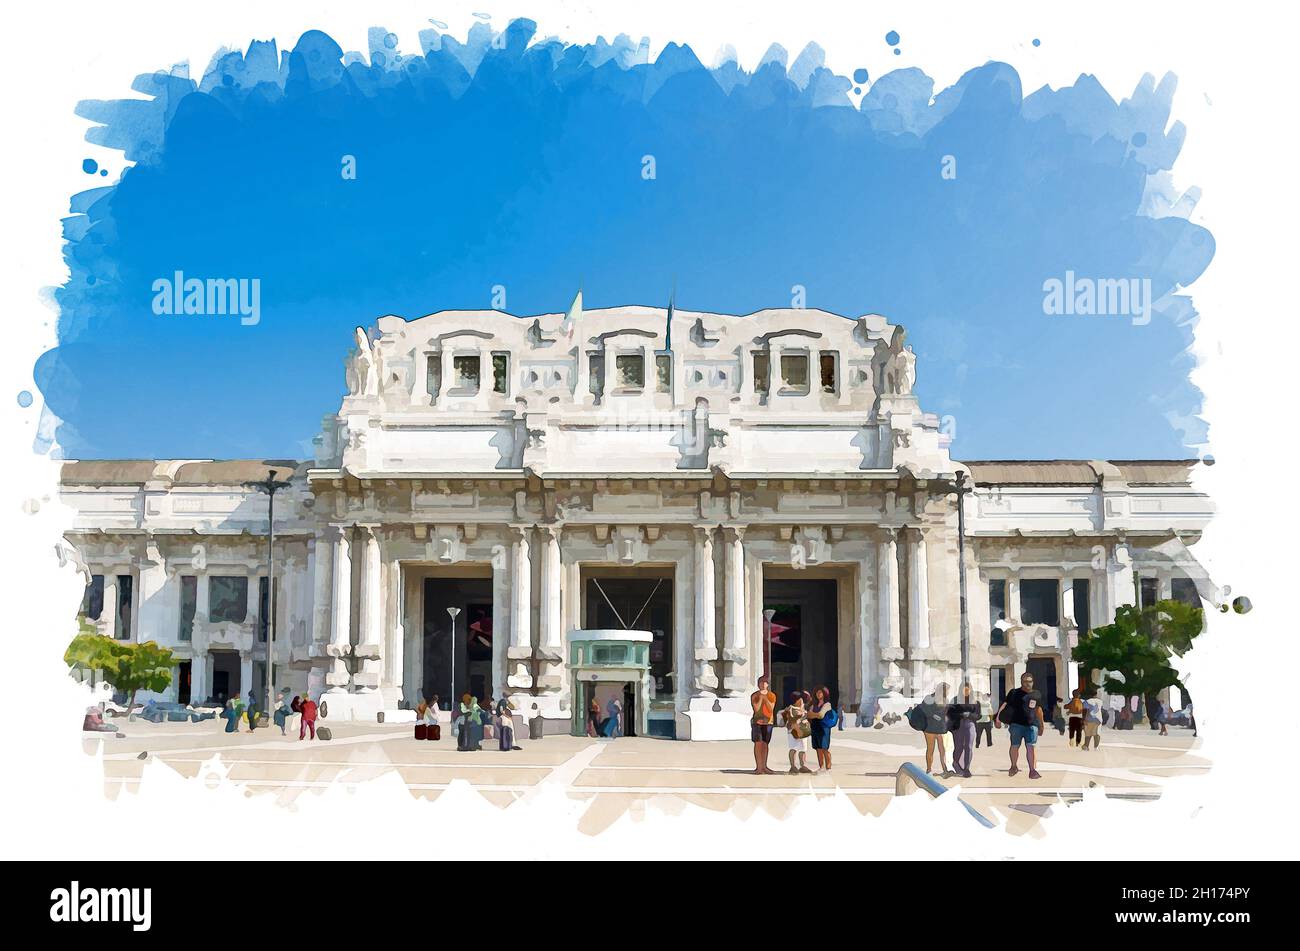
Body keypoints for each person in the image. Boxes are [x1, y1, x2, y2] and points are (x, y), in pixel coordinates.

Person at [995, 672, 1045, 779]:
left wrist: (1041, 725)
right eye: (1025, 682)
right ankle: (1013, 766)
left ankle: (1032, 770)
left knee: (1031, 747)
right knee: (1014, 746)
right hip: (1016, 725)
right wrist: (998, 717)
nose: (1028, 684)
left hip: (1032, 726)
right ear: (1021, 682)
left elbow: (1039, 710)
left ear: (1033, 682)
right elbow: (1005, 704)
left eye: (1030, 682)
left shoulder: (1037, 694)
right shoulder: (1014, 693)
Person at [917, 684, 952, 777]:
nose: (949, 692)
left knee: (942, 749)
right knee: (931, 749)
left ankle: (944, 769)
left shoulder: (946, 700)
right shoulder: (929, 698)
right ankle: (929, 770)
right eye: (948, 690)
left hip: (940, 727)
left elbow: (945, 713)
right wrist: (933, 715)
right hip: (930, 727)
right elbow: (923, 709)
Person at [948, 683, 980, 778]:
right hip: (958, 725)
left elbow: (978, 715)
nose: (966, 691)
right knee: (959, 747)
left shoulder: (975, 702)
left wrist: (969, 715)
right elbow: (950, 713)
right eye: (964, 690)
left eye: (968, 689)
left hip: (970, 724)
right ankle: (956, 763)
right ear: (960, 690)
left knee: (969, 747)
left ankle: (967, 768)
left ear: (971, 690)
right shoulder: (955, 700)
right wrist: (961, 714)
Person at [750, 677, 778, 775]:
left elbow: (771, 709)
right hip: (757, 722)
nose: (763, 684)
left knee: (765, 744)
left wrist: (765, 698)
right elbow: (756, 709)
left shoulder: (772, 695)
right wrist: (761, 697)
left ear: (768, 684)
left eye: (765, 683)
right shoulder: (755, 695)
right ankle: (759, 767)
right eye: (761, 683)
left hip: (768, 722)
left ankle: (764, 766)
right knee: (758, 743)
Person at [781, 692, 813, 774]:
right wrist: (798, 730)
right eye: (800, 699)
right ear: (797, 700)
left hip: (802, 731)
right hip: (794, 732)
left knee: (803, 749)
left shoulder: (802, 708)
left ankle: (803, 766)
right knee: (793, 748)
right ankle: (793, 766)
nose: (802, 700)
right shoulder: (791, 709)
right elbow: (793, 721)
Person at [809, 686, 836, 772]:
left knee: (824, 748)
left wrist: (813, 714)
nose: (818, 694)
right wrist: (815, 715)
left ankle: (828, 767)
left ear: (824, 694)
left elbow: (821, 715)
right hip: (815, 727)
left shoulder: (827, 704)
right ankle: (821, 767)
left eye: (820, 692)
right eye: (817, 693)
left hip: (823, 727)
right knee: (818, 748)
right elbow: (808, 715)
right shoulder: (814, 705)